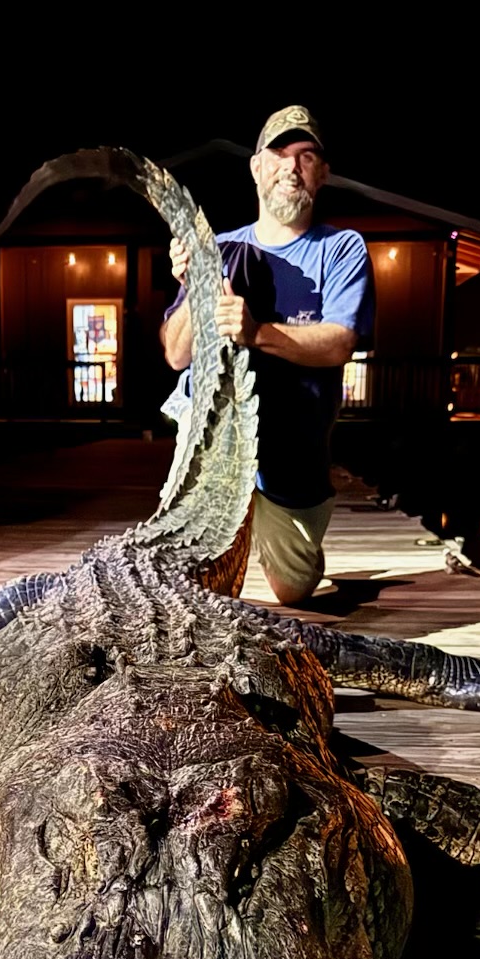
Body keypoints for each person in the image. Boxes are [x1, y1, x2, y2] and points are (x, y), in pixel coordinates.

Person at [160, 105, 374, 606]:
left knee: (292, 591)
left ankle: (274, 533)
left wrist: (257, 334)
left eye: (306, 156)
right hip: (215, 452)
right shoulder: (219, 247)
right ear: (257, 167)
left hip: (292, 453)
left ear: (321, 174)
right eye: (279, 152)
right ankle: (223, 534)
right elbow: (175, 355)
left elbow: (341, 342)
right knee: (191, 591)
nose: (290, 166)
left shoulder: (342, 249)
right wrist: (199, 283)